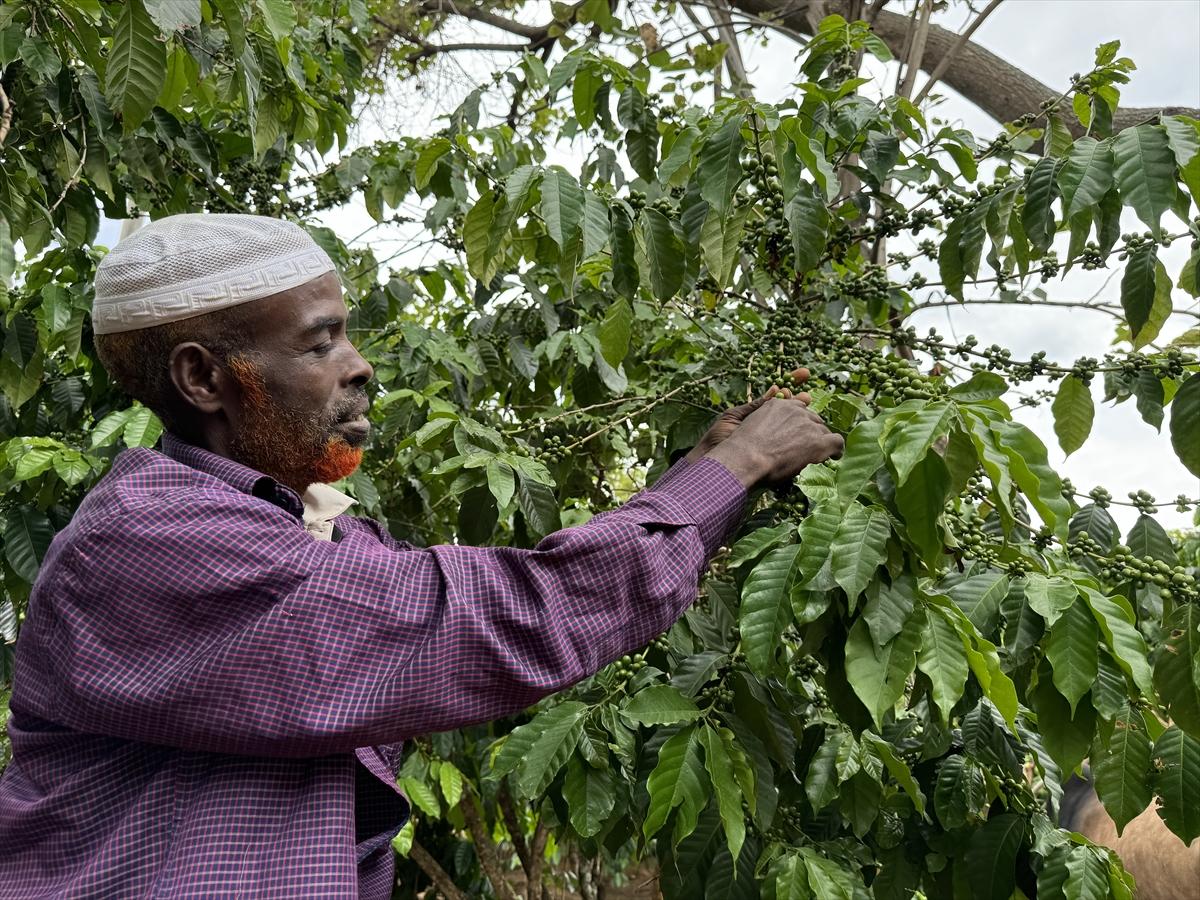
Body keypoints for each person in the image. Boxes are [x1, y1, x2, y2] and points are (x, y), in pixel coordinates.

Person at [0, 214, 844, 897]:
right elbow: (493, 618)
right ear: (203, 379)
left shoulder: (300, 532)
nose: (359, 366)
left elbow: (501, 594)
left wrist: (711, 482)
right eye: (320, 342)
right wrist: (731, 470)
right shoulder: (153, 544)